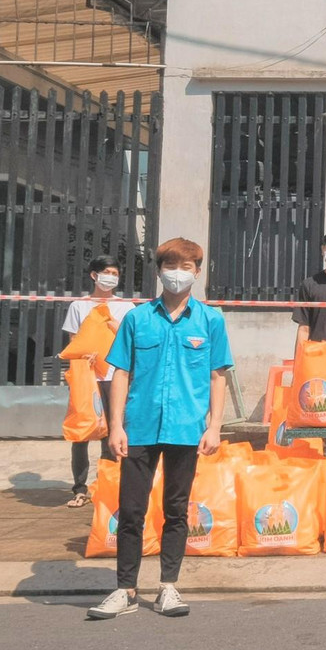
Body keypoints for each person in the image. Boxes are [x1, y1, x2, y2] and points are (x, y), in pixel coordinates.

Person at [86, 238, 233, 621]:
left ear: (198, 273)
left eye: (186, 267)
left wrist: (214, 426)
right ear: (158, 271)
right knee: (131, 511)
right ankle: (125, 590)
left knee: (177, 510)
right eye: (171, 266)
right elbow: (120, 372)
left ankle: (168, 586)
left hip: (187, 428)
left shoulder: (210, 319)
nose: (178, 274)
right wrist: (116, 425)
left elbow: (218, 377)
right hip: (140, 427)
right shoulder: (137, 318)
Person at [64, 255, 135, 508]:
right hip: (87, 377)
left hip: (113, 377)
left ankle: (108, 485)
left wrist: (114, 326)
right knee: (81, 433)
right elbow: (74, 341)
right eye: (107, 272)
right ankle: (80, 489)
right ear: (94, 275)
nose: (111, 278)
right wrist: (85, 354)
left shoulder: (126, 308)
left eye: (115, 274)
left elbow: (132, 342)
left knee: (112, 431)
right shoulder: (78, 306)